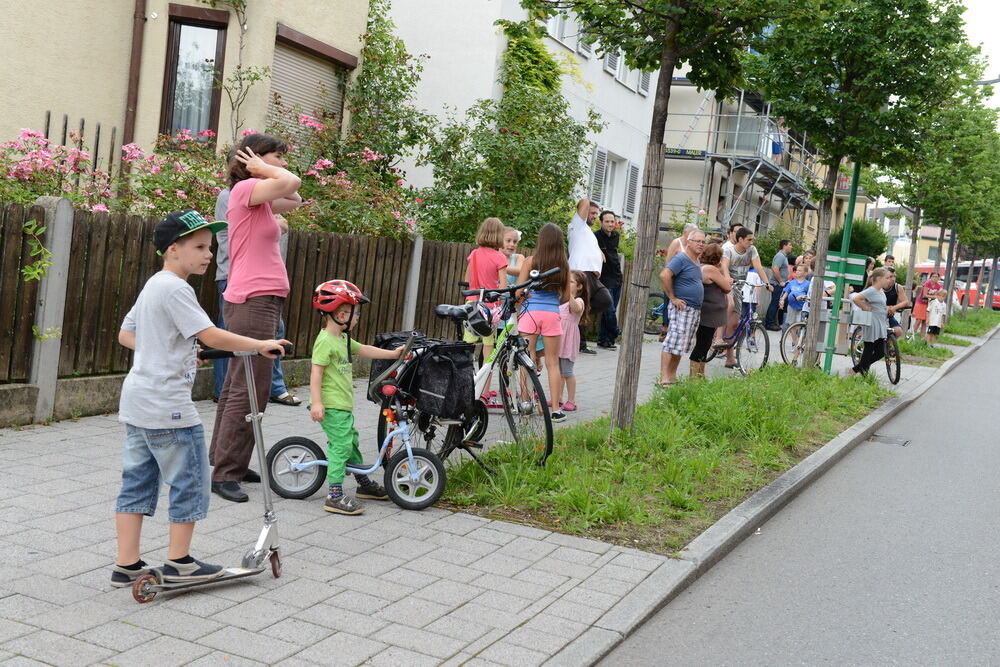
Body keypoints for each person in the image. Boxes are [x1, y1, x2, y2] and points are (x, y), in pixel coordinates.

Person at [112, 209, 289, 588]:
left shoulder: (154, 285)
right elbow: (212, 335)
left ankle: (127, 564)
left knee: (137, 482)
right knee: (189, 481)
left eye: (210, 247)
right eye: (200, 247)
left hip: (139, 402)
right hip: (169, 407)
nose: (209, 254)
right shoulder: (178, 288)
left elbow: (127, 334)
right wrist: (260, 344)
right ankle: (180, 563)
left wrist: (168, 347)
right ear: (173, 249)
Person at [209, 133, 302, 504]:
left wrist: (267, 170)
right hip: (252, 300)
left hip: (259, 300)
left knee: (238, 384)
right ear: (253, 159)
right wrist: (261, 168)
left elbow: (294, 198)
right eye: (276, 155)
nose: (281, 162)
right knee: (251, 387)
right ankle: (225, 472)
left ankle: (225, 461)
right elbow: (292, 183)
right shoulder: (245, 188)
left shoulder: (257, 197)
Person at [310, 280, 403, 515]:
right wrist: (317, 402)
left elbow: (364, 350)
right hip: (331, 406)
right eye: (355, 312)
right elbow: (316, 372)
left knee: (352, 444)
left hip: (343, 406)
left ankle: (363, 484)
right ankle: (334, 495)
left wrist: (393, 354)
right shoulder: (325, 341)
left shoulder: (343, 339)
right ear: (341, 314)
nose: (357, 317)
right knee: (340, 446)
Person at [214, 186, 300, 407]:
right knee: (229, 336)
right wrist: (276, 223)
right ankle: (225, 390)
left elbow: (294, 197)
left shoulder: (262, 195)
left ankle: (274, 387)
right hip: (236, 277)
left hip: (261, 281)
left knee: (274, 333)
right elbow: (241, 233)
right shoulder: (232, 195)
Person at [517, 223, 571, 422]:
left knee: (526, 359)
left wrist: (527, 299)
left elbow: (518, 292)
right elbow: (566, 297)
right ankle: (556, 409)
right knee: (552, 362)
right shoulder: (564, 266)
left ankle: (526, 403)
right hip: (551, 314)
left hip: (530, 313)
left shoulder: (531, 261)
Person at [720, 227, 773, 367]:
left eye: (752, 239)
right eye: (749, 240)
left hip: (739, 288)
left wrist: (766, 282)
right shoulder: (728, 250)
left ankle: (730, 358)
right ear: (740, 239)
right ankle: (718, 335)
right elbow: (724, 266)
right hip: (726, 286)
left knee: (733, 325)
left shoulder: (752, 250)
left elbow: (758, 266)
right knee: (729, 308)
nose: (751, 242)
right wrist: (727, 278)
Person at [659, 230, 706, 385]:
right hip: (682, 309)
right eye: (698, 241)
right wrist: (672, 298)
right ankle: (664, 377)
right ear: (689, 242)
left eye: (703, 242)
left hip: (693, 310)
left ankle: (672, 376)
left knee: (681, 345)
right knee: (672, 342)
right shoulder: (682, 258)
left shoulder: (696, 260)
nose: (701, 244)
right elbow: (664, 275)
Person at [567, 198, 611, 354]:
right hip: (581, 272)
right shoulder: (577, 225)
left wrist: (599, 253)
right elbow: (584, 202)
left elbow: (586, 247)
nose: (594, 216)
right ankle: (580, 344)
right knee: (585, 304)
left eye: (596, 213)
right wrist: (589, 201)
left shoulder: (587, 232)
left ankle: (574, 315)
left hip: (592, 276)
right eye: (592, 213)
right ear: (583, 213)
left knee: (605, 300)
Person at [464, 217, 508, 365]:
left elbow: (467, 279)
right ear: (499, 235)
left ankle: (467, 381)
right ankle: (485, 386)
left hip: (472, 304)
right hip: (490, 307)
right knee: (488, 345)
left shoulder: (474, 254)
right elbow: (503, 287)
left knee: (469, 344)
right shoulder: (500, 257)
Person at [688, 241, 731, 379]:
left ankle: (700, 375)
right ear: (717, 257)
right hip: (708, 314)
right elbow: (727, 287)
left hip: (707, 312)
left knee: (704, 344)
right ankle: (694, 377)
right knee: (702, 344)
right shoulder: (710, 269)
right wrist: (724, 273)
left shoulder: (701, 266)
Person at [849, 268, 894, 376]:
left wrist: (887, 309)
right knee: (869, 348)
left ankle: (857, 369)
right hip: (872, 322)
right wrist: (865, 307)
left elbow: (879, 304)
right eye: (886, 278)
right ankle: (862, 372)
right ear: (879, 278)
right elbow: (856, 298)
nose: (889, 280)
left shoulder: (880, 291)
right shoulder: (871, 290)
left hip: (880, 322)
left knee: (880, 352)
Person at [556, 271, 590, 411]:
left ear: (579, 286)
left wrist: (568, 295)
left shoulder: (579, 301)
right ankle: (557, 398)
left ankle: (571, 400)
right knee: (558, 372)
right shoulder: (561, 301)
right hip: (558, 339)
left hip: (568, 340)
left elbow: (576, 308)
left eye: (570, 282)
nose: (567, 284)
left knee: (567, 372)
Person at [594, 210, 622, 350]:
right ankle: (616, 331)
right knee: (609, 310)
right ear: (601, 222)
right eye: (607, 221)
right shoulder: (596, 236)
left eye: (612, 221)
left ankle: (606, 341)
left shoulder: (616, 236)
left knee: (609, 312)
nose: (611, 224)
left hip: (617, 277)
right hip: (604, 279)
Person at [765, 239, 792, 330]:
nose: (791, 247)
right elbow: (775, 269)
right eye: (790, 245)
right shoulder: (780, 256)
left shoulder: (783, 256)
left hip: (780, 284)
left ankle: (771, 322)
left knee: (775, 303)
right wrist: (780, 281)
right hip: (777, 284)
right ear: (784, 246)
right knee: (775, 303)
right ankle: (770, 324)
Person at [779, 263, 811, 330]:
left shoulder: (808, 284)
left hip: (802, 307)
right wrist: (782, 300)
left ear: (805, 273)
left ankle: (798, 339)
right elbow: (786, 292)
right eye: (797, 270)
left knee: (798, 324)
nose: (797, 272)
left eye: (800, 270)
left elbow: (809, 294)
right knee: (791, 324)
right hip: (791, 306)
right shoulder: (791, 282)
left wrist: (802, 296)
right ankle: (794, 340)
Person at [883, 264, 911, 339]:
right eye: (890, 276)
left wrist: (895, 307)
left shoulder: (897, 287)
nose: (893, 279)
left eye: (894, 276)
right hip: (877, 313)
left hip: (888, 315)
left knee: (898, 331)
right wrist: (887, 307)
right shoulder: (878, 286)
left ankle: (889, 347)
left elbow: (906, 302)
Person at [912, 271, 941, 337]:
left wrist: (936, 298)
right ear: (930, 277)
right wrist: (934, 297)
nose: (935, 278)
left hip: (929, 304)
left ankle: (922, 337)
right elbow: (925, 295)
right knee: (918, 320)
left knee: (925, 321)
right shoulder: (927, 283)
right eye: (933, 276)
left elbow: (937, 295)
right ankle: (913, 335)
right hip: (921, 303)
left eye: (936, 277)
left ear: (938, 278)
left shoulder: (938, 286)